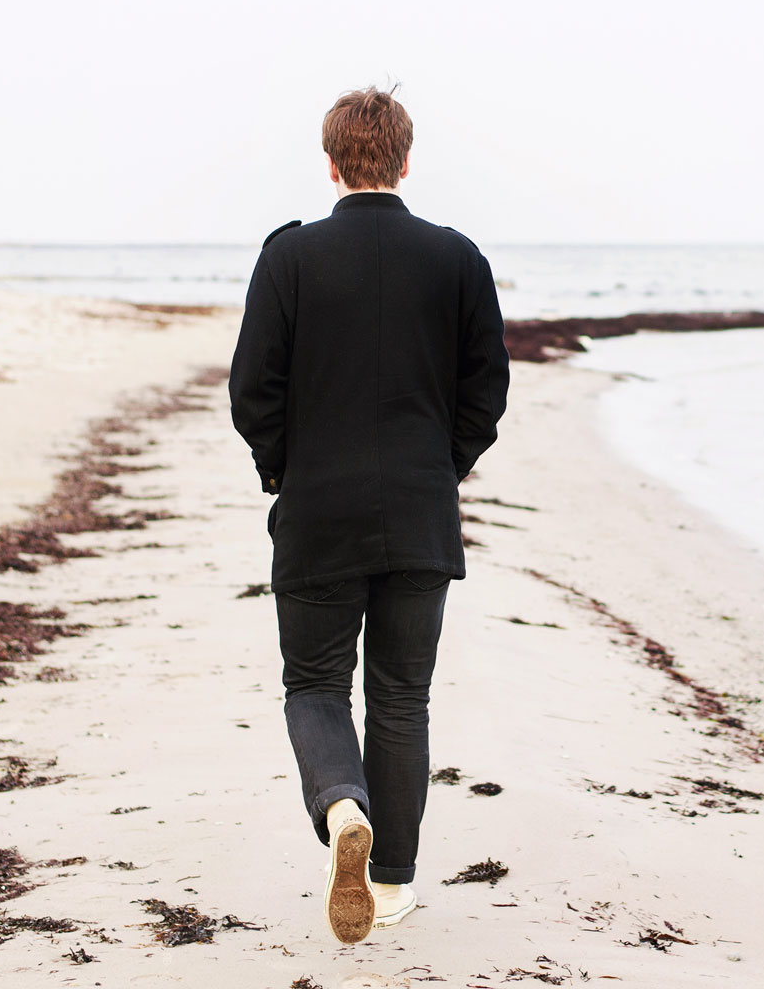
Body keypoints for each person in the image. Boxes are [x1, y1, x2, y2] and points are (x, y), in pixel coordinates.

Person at [228, 85, 511, 944]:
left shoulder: (290, 258)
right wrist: (441, 469)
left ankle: (342, 805)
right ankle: (388, 884)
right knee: (401, 696)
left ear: (331, 163)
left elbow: (252, 393)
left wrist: (286, 471)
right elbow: (486, 393)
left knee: (314, 684)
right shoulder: (457, 259)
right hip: (420, 514)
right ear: (405, 159)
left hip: (318, 510)